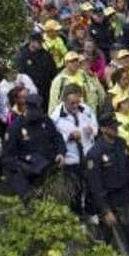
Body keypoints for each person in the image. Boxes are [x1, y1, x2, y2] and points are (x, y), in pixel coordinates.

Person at [85, 111, 129, 256]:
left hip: (124, 196)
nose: (116, 130)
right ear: (104, 129)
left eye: (116, 126)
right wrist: (105, 210)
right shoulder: (95, 153)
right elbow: (95, 185)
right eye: (112, 127)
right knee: (107, 239)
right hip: (108, 199)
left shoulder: (121, 143)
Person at [2, 94, 65, 201]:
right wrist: (24, 168)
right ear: (26, 108)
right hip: (26, 175)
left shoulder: (45, 120)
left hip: (48, 170)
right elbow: (7, 158)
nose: (37, 114)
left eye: (39, 111)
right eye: (34, 111)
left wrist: (60, 152)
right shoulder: (15, 128)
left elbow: (57, 137)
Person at [51, 84, 100, 216]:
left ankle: (91, 213)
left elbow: (95, 125)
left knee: (91, 187)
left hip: (88, 155)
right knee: (75, 191)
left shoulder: (85, 109)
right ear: (64, 101)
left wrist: (92, 130)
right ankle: (77, 218)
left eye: (77, 102)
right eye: (72, 103)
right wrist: (68, 136)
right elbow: (53, 139)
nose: (75, 106)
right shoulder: (56, 117)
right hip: (71, 160)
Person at [16, 32, 58, 97]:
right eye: (39, 42)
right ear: (31, 42)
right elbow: (21, 75)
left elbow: (53, 70)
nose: (41, 44)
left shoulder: (45, 54)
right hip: (30, 92)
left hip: (45, 90)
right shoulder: (23, 56)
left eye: (41, 42)